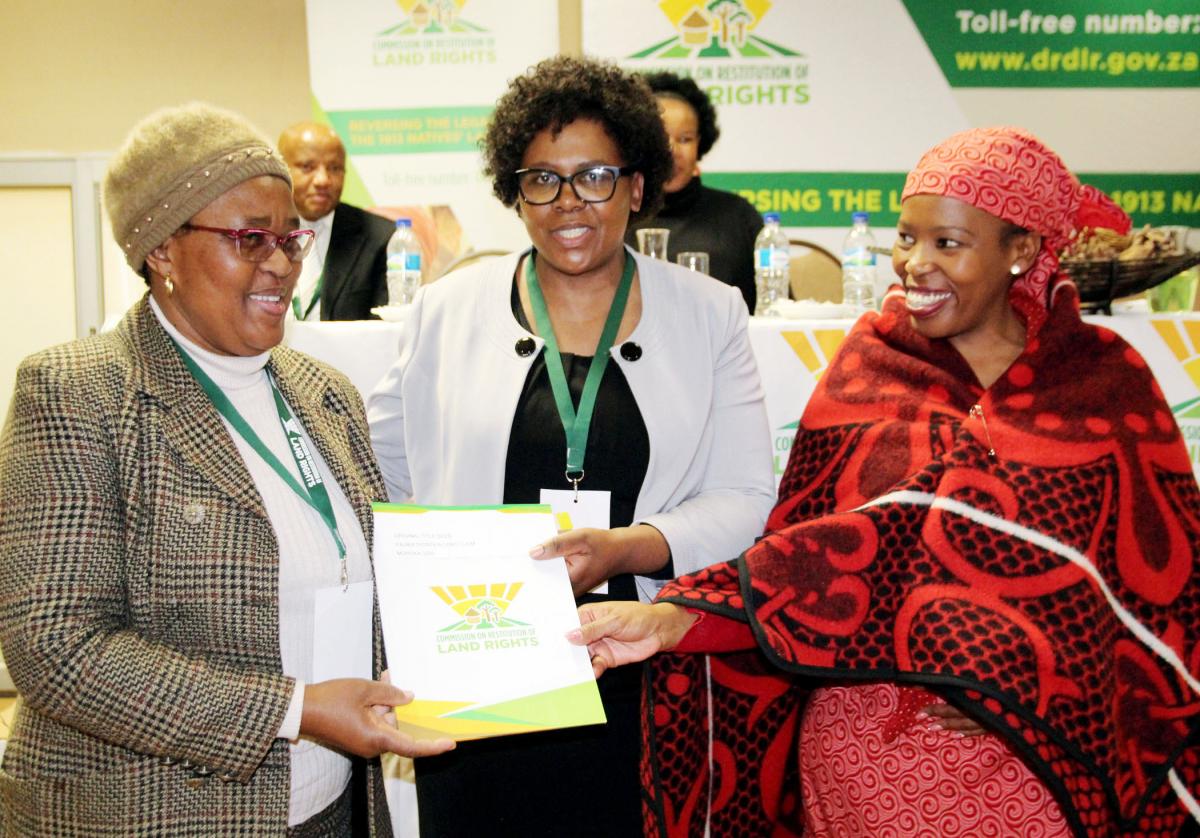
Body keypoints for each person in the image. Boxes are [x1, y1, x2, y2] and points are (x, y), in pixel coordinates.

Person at [572, 126, 1200, 836]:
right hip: (865, 747)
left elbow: (1157, 596)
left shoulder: (1101, 382)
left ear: (1020, 251)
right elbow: (808, 557)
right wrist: (671, 619)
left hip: (1037, 753)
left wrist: (1025, 686)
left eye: (948, 244)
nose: (915, 264)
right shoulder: (868, 366)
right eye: (906, 238)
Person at [0, 102, 453, 836]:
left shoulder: (324, 392)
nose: (280, 263)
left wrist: (513, 638)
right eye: (249, 239)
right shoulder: (80, 391)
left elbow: (374, 584)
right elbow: (57, 647)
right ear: (163, 251)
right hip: (154, 815)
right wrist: (295, 710)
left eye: (289, 239)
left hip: (330, 807)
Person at [366, 55, 775, 836]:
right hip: (479, 675)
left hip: (639, 671)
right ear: (513, 192)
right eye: (541, 180)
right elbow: (390, 471)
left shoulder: (710, 313)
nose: (568, 203)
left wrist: (625, 549)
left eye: (594, 176)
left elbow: (746, 498)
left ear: (637, 184)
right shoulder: (445, 311)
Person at [625, 71, 762, 312]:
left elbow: (775, 313)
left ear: (701, 143)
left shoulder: (738, 216)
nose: (673, 151)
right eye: (661, 137)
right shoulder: (619, 216)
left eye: (685, 139)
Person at [278, 121, 395, 320]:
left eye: (334, 168)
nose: (323, 180)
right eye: (308, 167)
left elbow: (383, 330)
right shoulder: (256, 234)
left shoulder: (379, 236)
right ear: (281, 168)